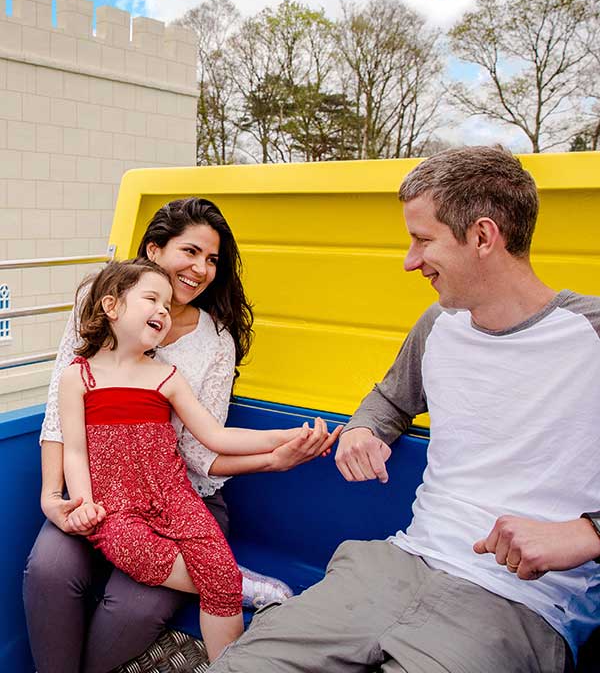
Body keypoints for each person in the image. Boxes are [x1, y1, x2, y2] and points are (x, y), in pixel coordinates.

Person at [209, 146, 600, 673]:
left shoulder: (591, 334)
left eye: (422, 240)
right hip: (395, 565)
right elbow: (390, 399)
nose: (409, 261)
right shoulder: (439, 323)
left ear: (483, 237)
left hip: (520, 604)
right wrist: (364, 430)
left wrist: (587, 533)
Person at [23, 196, 342, 673]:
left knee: (136, 606)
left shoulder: (202, 350)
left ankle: (227, 593)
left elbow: (207, 444)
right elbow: (61, 424)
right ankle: (228, 580)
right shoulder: (89, 338)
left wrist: (276, 450)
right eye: (190, 251)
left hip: (176, 492)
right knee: (49, 571)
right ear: (153, 251)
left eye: (212, 259)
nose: (201, 269)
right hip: (104, 495)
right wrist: (59, 497)